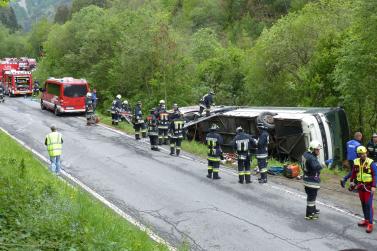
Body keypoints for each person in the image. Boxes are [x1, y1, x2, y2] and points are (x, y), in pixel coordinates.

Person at [350, 146, 377, 233]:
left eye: (364, 153)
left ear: (366, 153)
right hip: (360, 186)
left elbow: (375, 175)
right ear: (358, 154)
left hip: (369, 187)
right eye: (360, 154)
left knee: (368, 205)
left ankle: (370, 223)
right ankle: (365, 220)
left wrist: (374, 186)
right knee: (363, 204)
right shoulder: (356, 161)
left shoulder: (371, 162)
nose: (362, 155)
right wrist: (351, 182)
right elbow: (354, 172)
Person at [303, 140, 323, 220]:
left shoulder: (306, 154)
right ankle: (309, 214)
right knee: (311, 197)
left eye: (318, 149)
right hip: (312, 181)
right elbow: (316, 167)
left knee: (312, 196)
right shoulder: (311, 158)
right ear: (312, 149)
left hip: (307, 178)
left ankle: (313, 210)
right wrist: (323, 164)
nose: (318, 151)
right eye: (317, 149)